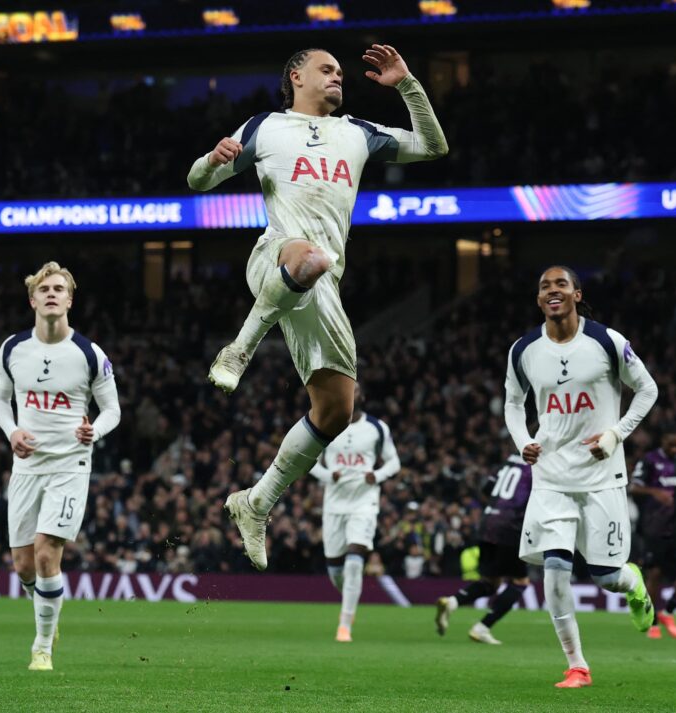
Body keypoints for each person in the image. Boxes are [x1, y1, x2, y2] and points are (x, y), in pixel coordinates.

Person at [187, 45, 447, 570]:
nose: (337, 77)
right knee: (309, 256)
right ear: (296, 76)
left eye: (341, 73)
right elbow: (197, 181)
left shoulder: (358, 133)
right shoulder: (265, 126)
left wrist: (407, 84)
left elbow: (432, 146)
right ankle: (239, 350)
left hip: (324, 282)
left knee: (336, 411)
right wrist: (211, 161)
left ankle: (256, 501)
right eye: (326, 69)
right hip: (276, 256)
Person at [503, 266, 659, 689]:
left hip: (601, 477)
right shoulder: (524, 349)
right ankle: (577, 666)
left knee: (607, 577)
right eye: (544, 286)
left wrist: (615, 434)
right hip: (551, 477)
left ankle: (633, 584)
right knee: (554, 570)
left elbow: (647, 389)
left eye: (561, 284)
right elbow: (513, 404)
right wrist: (523, 441)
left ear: (576, 294)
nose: (552, 290)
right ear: (539, 299)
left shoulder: (607, 341)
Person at [0, 262, 121, 672]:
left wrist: (95, 431)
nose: (51, 294)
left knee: (47, 554)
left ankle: (42, 647)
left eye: (59, 289)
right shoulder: (13, 348)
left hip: (70, 464)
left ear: (69, 300)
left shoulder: (89, 353)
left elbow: (112, 410)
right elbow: (0, 400)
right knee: (23, 564)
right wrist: (12, 431)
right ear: (32, 300)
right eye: (44, 289)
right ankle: (48, 609)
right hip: (27, 466)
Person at [309, 386, 400, 642]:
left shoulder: (377, 428)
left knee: (354, 560)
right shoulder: (326, 423)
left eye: (356, 390)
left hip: (364, 502)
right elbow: (309, 459)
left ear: (363, 397)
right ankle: (350, 599)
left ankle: (344, 626)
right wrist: (329, 475)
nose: (351, 392)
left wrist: (377, 475)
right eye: (348, 389)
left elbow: (394, 462)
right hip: (334, 505)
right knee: (336, 571)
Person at [435, 453, 532, 645]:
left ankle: (452, 602)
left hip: (488, 523)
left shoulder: (512, 458)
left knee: (491, 582)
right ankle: (482, 627)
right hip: (510, 526)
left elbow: (487, 488)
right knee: (520, 581)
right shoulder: (538, 462)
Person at [630, 423, 676, 639]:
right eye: (671, 445)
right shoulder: (650, 460)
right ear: (663, 441)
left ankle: (669, 610)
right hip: (655, 526)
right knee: (655, 574)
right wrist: (655, 492)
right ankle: (652, 621)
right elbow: (634, 487)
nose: (674, 449)